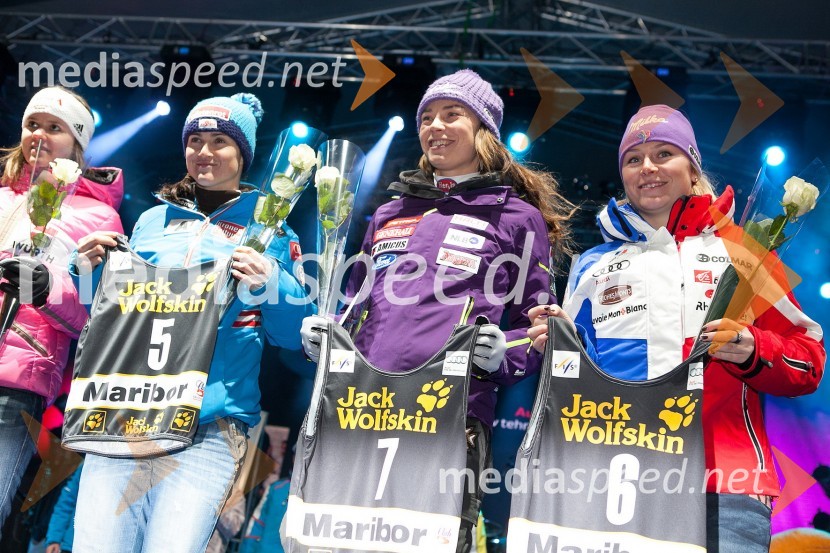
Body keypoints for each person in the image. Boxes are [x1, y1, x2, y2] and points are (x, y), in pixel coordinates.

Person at [527, 104, 825, 552]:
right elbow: (575, 380)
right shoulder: (593, 265)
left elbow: (809, 358)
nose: (647, 167)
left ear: (693, 167)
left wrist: (752, 348)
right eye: (634, 158)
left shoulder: (745, 250)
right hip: (618, 480)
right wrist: (558, 345)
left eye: (664, 153)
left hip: (724, 485)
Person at [301, 69, 575, 552]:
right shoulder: (390, 212)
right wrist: (328, 336)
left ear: (484, 131)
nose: (435, 126)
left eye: (452, 115)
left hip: (449, 412)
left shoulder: (517, 217)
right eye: (426, 117)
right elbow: (356, 305)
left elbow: (537, 326)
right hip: (361, 405)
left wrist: (505, 353)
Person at [70, 93, 312, 553]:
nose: (204, 151)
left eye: (220, 141)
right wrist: (86, 271)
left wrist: (273, 283)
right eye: (195, 140)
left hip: (209, 424)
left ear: (243, 152)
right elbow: (111, 316)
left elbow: (291, 336)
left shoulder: (273, 230)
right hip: (125, 414)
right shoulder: (151, 220)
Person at [0, 86, 124, 536]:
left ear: (77, 143)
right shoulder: (2, 198)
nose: (40, 134)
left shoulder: (100, 218)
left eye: (55, 128)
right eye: (33, 124)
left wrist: (45, 290)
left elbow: (97, 317)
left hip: (18, 383)